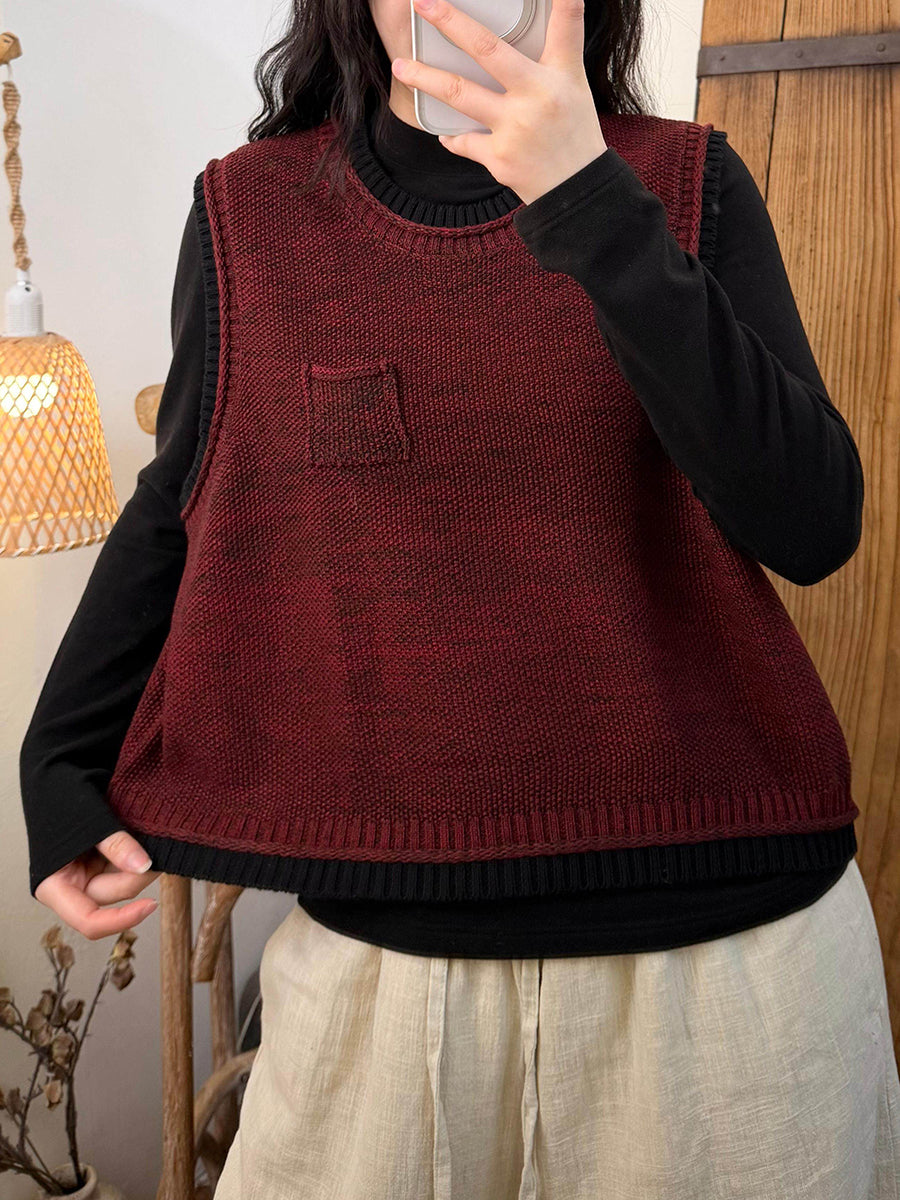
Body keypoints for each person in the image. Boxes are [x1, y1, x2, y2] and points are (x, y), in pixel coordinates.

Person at [19, 0, 900, 1194]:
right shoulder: (252, 214)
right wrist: (58, 762)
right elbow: (188, 494)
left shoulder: (685, 183)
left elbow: (812, 525)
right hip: (384, 959)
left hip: (731, 959)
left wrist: (587, 197)